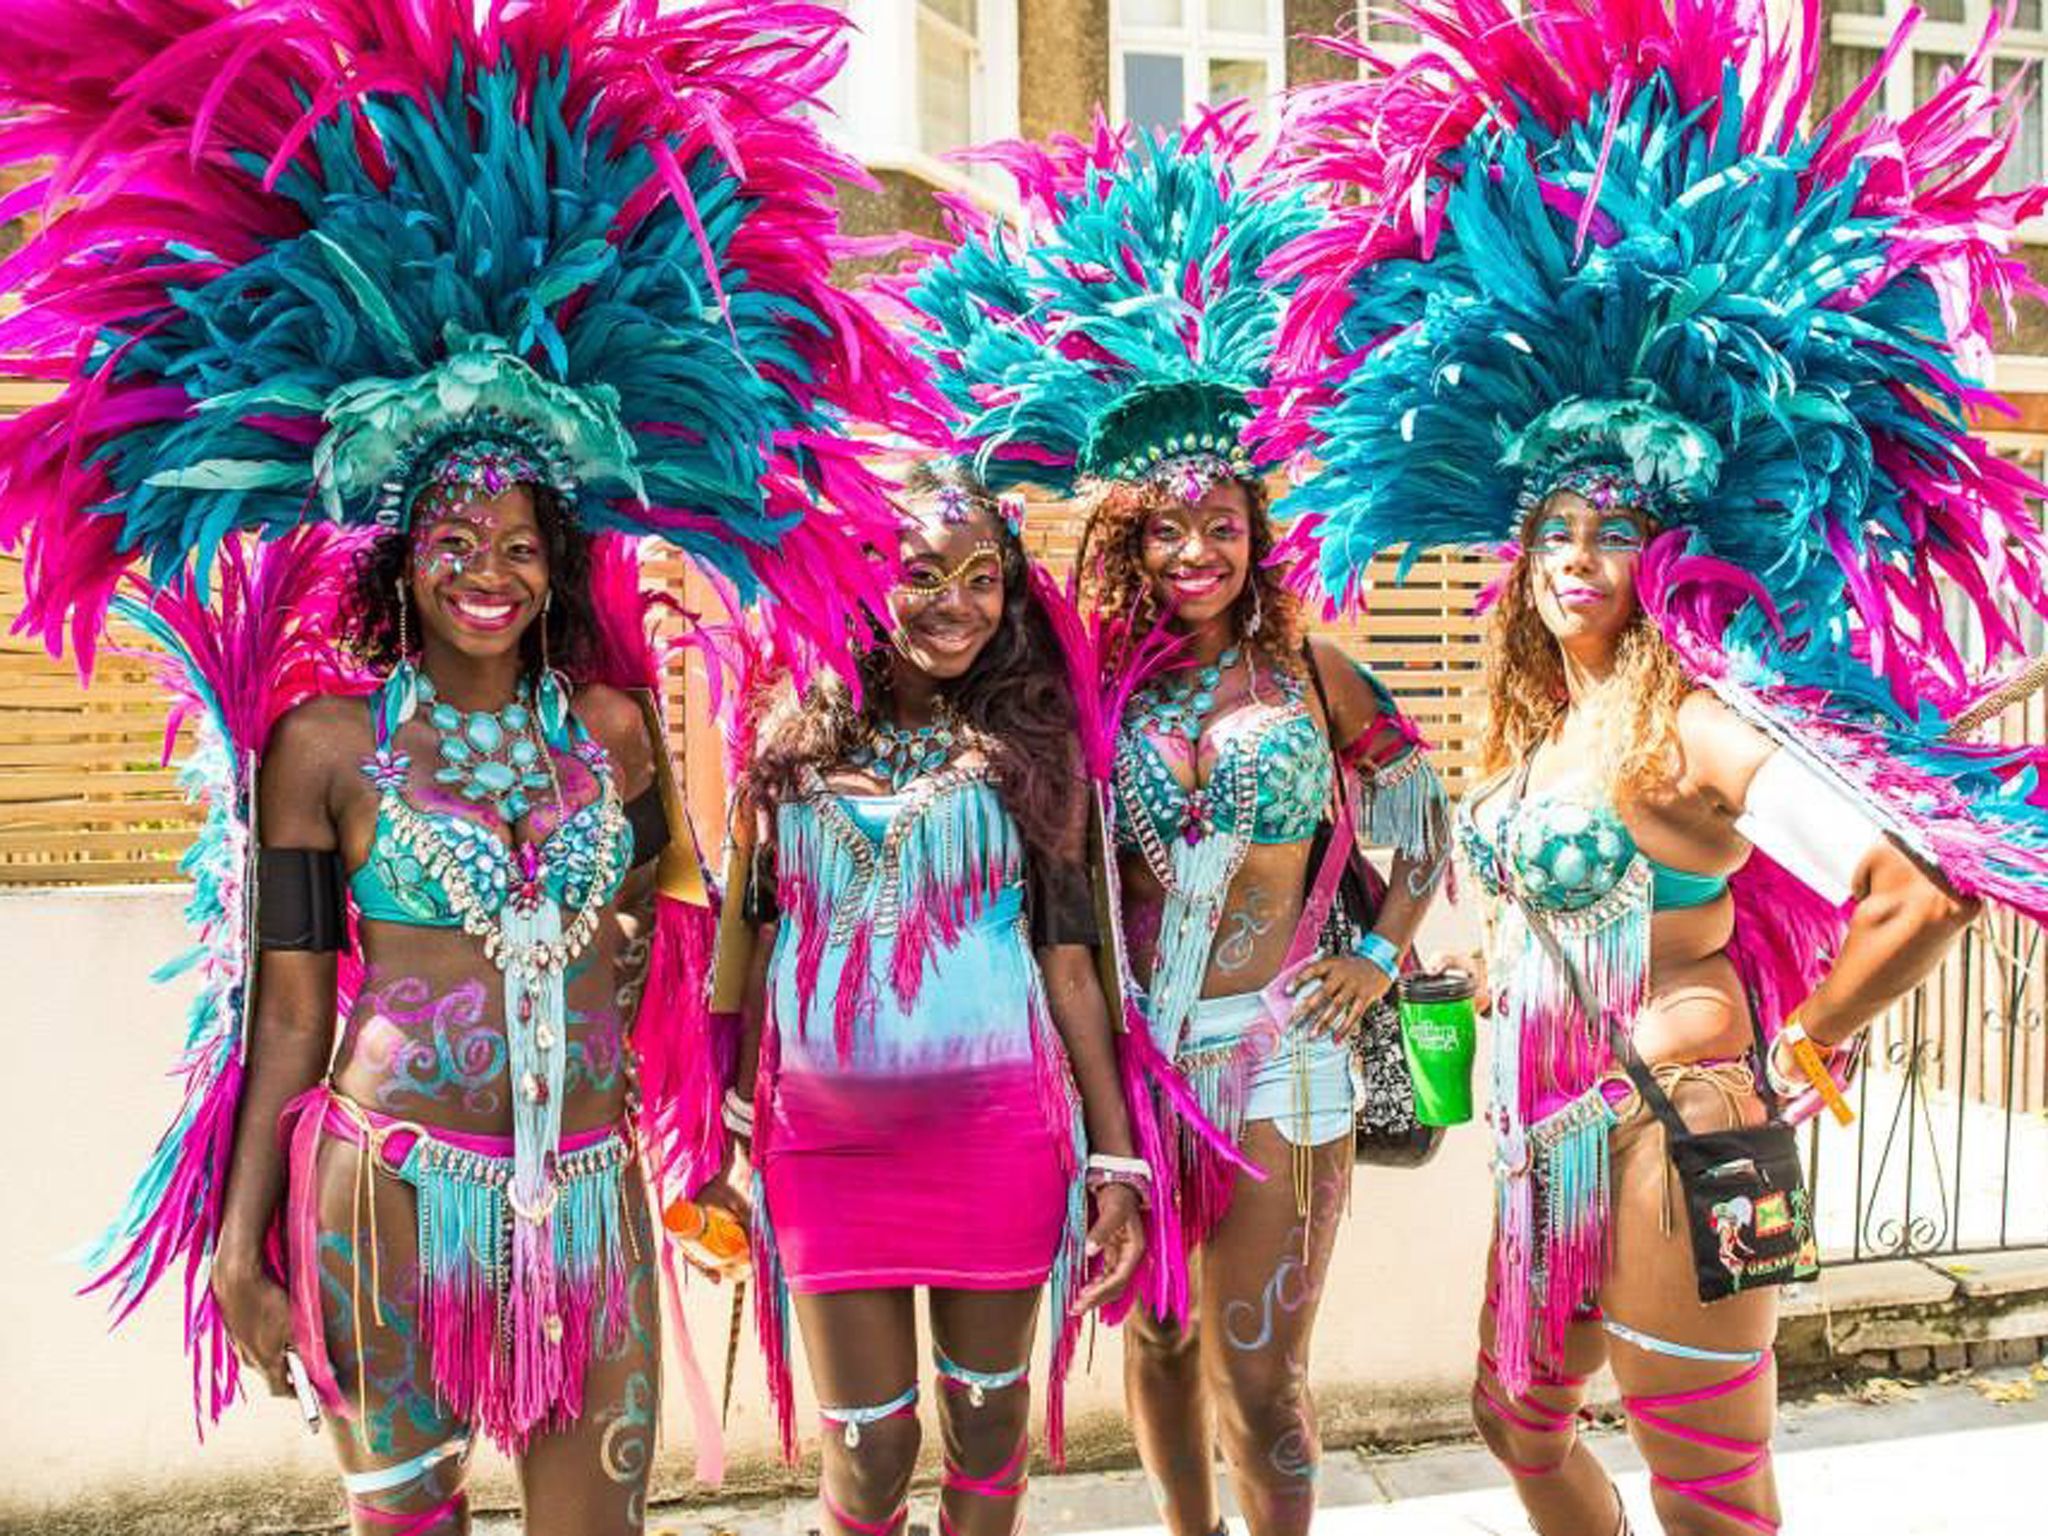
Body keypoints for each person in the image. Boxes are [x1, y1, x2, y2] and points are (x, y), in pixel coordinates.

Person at [3, 3, 942, 1530]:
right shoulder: (321, 746)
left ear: (558, 564)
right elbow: (292, 998)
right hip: (386, 1193)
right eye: (454, 543)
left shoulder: (620, 734)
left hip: (584, 1191)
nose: (486, 571)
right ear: (405, 559)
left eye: (516, 546)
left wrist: (672, 1055)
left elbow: (659, 908)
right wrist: (244, 1240)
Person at [1258, 3, 2048, 1531]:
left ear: (1659, 549)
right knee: (1513, 1422)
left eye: (1611, 532)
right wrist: (1479, 979)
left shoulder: (1697, 719)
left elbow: (1917, 891)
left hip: (1676, 1115)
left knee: (1708, 1484)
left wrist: (1799, 1050)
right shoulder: (1550, 718)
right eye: (1553, 530)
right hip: (1541, 1125)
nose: (1575, 558)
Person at [885, 107, 1448, 1536]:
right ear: (1132, 537)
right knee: (1153, 1338)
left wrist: (1377, 960)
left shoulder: (1319, 676)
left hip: (1283, 1061)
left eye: (1224, 529)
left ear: (1260, 538)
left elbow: (1426, 819)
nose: (1195, 553)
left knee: (1263, 1376)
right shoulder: (1103, 685)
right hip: (1138, 1065)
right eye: (1165, 531)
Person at [700, 461, 1147, 1536]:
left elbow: (1072, 964)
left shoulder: (1036, 754)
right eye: (919, 573)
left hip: (997, 1139)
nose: (955, 603)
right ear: (859, 577)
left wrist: (1114, 1158)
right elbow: (755, 948)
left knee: (987, 1434)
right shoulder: (781, 743)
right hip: (821, 1149)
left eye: (983, 578)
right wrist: (729, 1142)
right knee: (870, 1452)